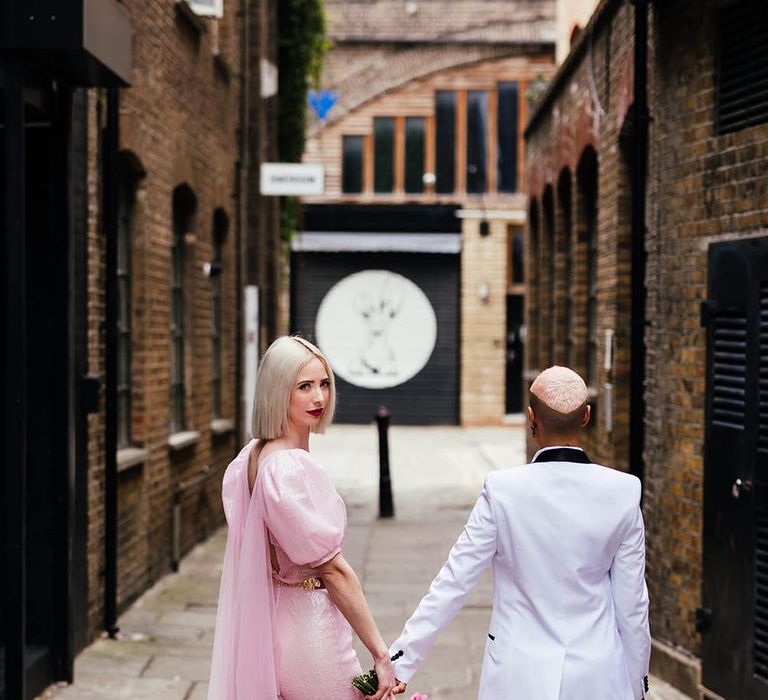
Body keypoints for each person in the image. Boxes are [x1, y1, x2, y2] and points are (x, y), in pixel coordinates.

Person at [389, 366, 651, 699]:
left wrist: (401, 661)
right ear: (586, 416)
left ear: (531, 417)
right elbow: (632, 605)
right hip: (598, 675)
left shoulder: (503, 491)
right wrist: (637, 684)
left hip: (517, 675)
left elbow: (454, 581)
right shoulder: (623, 492)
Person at [208, 335, 396, 700]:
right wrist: (380, 653)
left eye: (324, 383)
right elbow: (333, 570)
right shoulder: (289, 468)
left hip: (272, 621)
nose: (319, 398)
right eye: (304, 387)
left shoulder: (250, 457)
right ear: (277, 391)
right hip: (311, 632)